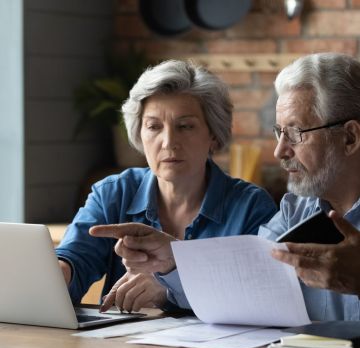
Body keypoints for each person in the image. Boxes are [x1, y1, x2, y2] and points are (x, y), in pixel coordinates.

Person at [91, 53, 360, 320]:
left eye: (296, 133)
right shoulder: (296, 210)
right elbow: (244, 282)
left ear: (349, 137)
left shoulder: (254, 203)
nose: (279, 151)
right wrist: (174, 260)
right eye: (280, 133)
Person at [56, 59, 277, 311]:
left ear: (213, 135)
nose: (169, 141)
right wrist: (57, 275)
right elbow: (75, 258)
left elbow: (260, 295)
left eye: (185, 126)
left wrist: (172, 288)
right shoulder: (113, 193)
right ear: (139, 134)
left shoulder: (251, 207)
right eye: (154, 127)